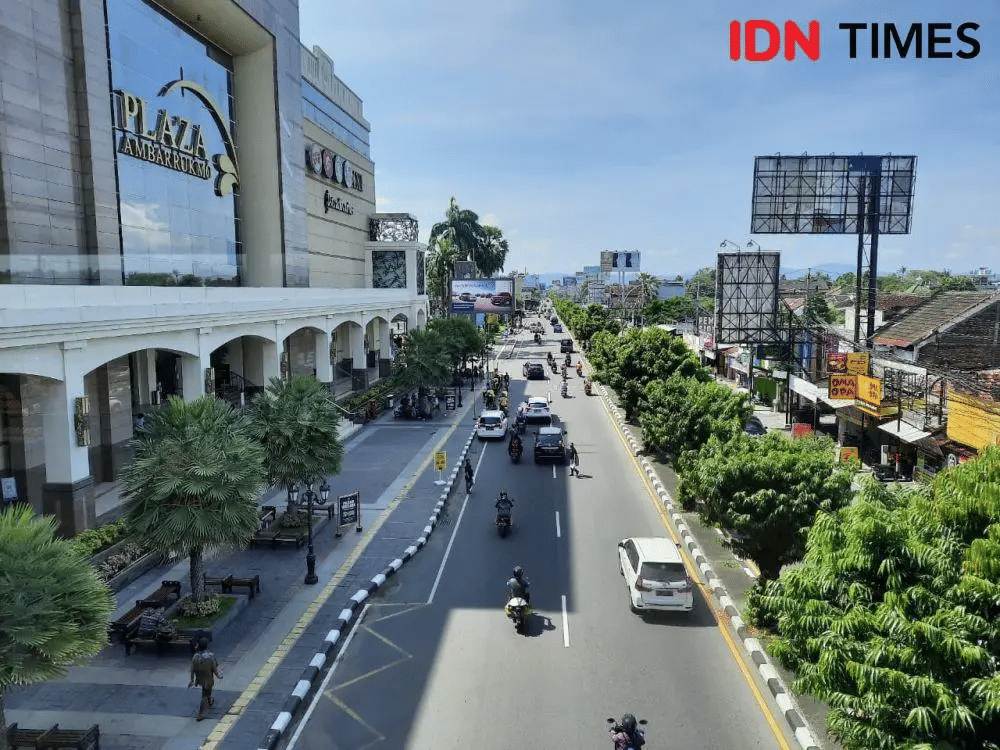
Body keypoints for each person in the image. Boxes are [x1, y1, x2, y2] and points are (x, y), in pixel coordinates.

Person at [189, 636, 223, 721]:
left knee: (207, 690)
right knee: (205, 694)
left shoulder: (195, 656)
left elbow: (192, 669)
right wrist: (218, 675)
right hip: (208, 678)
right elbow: (215, 667)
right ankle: (201, 713)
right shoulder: (211, 655)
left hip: (199, 678)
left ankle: (210, 699)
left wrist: (192, 680)